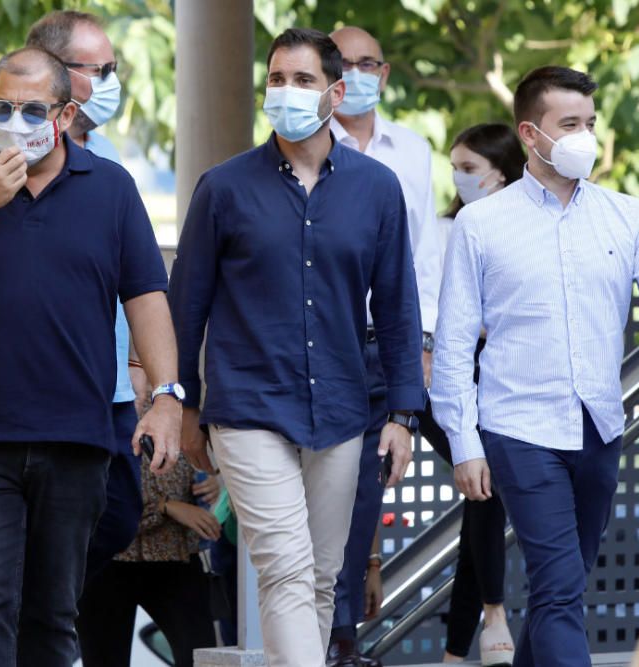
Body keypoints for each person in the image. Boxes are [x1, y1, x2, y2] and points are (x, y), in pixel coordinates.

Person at [0, 47, 182, 666]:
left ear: (65, 113)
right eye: (2, 107)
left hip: (75, 443)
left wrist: (165, 397)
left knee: (52, 620)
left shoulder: (111, 188)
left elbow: (147, 296)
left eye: (31, 109)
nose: (14, 121)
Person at [169, 28, 425, 667]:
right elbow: (185, 307)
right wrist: (185, 403)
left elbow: (396, 307)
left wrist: (401, 415)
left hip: (342, 411)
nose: (286, 91)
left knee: (320, 578)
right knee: (284, 569)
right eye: (276, 79)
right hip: (248, 408)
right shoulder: (223, 189)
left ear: (336, 93)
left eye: (303, 80)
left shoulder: (376, 189)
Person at [431, 65, 639, 667]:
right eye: (569, 124)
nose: (586, 137)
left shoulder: (627, 216)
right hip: (518, 429)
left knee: (563, 589)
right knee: (557, 588)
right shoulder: (480, 224)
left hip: (600, 427)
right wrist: (465, 442)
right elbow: (450, 345)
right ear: (530, 133)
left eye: (590, 123)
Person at [20, 11, 176, 659]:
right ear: (59, 76)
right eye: (100, 70)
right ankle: (27, 626)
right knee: (45, 564)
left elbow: (137, 279)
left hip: (111, 391)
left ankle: (31, 618)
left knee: (112, 518)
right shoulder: (10, 160)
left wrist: (152, 376)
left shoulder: (107, 158)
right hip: (41, 398)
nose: (113, 81)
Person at [325, 25, 440, 667]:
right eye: (345, 63)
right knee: (329, 497)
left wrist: (418, 347)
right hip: (329, 348)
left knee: (366, 493)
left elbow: (421, 259)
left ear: (385, 73)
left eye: (369, 63)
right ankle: (329, 638)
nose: (358, 74)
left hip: (390, 344)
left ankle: (344, 642)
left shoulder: (414, 150)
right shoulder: (310, 145)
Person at [414, 123, 525, 666]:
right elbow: (429, 305)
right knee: (485, 485)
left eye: (469, 168)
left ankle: (457, 651)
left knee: (483, 493)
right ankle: (495, 615)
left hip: (508, 373)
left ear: (501, 172)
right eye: (455, 167)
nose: (458, 178)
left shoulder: (529, 225)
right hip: (447, 374)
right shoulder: (441, 231)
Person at [85, 454, 221, 666]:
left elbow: (205, 451)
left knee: (201, 657)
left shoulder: (189, 418)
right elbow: (86, 491)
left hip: (177, 554)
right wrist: (163, 506)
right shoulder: (99, 421)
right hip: (107, 556)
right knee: (104, 658)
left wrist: (214, 480)